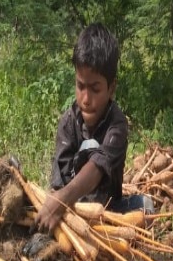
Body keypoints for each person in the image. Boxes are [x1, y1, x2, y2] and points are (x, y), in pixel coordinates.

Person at [34, 23, 151, 234]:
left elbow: (98, 166)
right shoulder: (68, 122)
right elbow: (58, 181)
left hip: (106, 210)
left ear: (111, 88)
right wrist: (58, 202)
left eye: (95, 89)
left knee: (146, 207)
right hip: (71, 210)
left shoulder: (117, 124)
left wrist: (63, 199)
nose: (86, 99)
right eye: (80, 86)